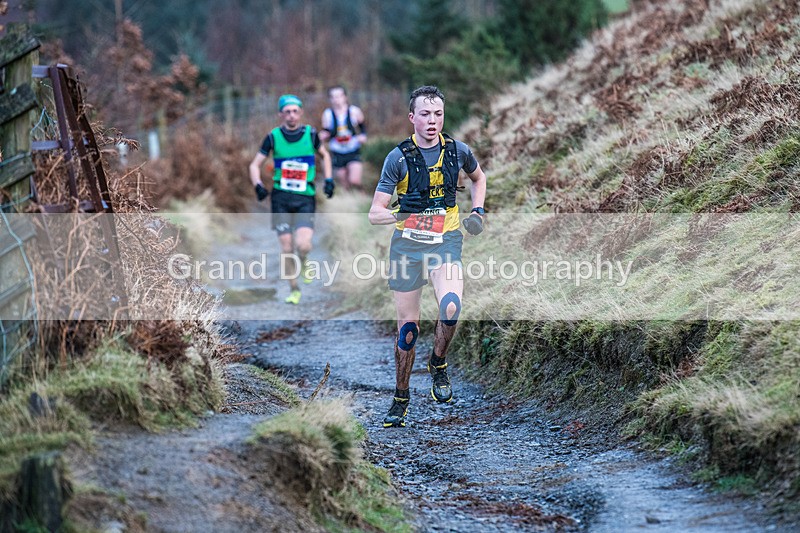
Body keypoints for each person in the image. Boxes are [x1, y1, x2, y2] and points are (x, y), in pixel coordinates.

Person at [368, 85, 487, 428]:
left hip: (445, 241)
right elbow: (374, 213)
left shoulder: (458, 151)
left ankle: (438, 362)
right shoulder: (399, 158)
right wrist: (399, 215)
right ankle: (401, 397)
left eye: (438, 114)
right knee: (408, 330)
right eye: (425, 114)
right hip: (406, 247)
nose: (432, 120)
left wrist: (477, 211)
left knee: (451, 307)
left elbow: (479, 179)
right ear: (412, 118)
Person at [248, 94, 334, 305]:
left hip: (305, 197)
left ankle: (304, 262)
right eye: (287, 111)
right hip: (281, 198)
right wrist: (258, 184)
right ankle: (294, 289)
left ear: (301, 113)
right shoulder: (273, 137)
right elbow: (254, 165)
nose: (291, 115)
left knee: (303, 245)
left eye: (295, 111)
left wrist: (329, 179)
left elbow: (325, 156)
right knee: (287, 247)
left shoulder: (311, 135)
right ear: (280, 114)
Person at [319, 85, 367, 192]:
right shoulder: (327, 114)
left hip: (353, 149)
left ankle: (363, 197)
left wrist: (363, 136)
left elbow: (363, 127)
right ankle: (350, 203)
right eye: (333, 97)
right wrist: (323, 136)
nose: (336, 99)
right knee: (343, 182)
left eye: (338, 96)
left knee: (354, 180)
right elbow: (326, 131)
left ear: (345, 97)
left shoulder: (354, 111)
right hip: (337, 150)